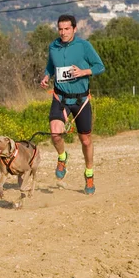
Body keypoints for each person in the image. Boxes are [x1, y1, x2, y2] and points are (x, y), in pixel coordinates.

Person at [39, 14, 105, 195]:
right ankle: (62, 157)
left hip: (81, 100)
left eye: (67, 29)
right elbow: (51, 66)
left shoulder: (84, 46)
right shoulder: (54, 46)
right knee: (55, 133)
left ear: (74, 29)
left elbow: (100, 66)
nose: (63, 32)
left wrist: (83, 72)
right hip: (60, 97)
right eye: (60, 29)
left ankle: (89, 173)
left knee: (85, 140)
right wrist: (46, 76)